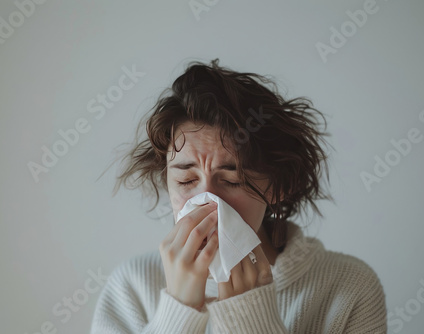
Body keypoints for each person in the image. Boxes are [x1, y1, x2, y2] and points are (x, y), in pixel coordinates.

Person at [90, 59, 387, 333]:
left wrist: (250, 318)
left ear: (277, 186)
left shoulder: (347, 287)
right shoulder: (132, 286)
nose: (207, 200)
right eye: (186, 179)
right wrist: (177, 311)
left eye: (232, 180)